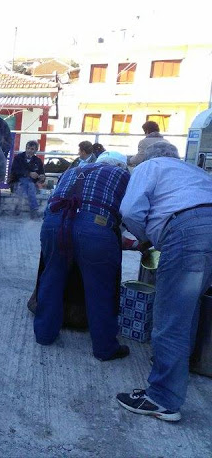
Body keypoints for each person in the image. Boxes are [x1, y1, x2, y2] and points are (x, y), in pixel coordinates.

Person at [116, 141, 212, 423]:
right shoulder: (193, 171)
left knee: (170, 317)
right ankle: (181, 368)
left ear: (145, 157)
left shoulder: (150, 166)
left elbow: (131, 211)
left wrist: (147, 241)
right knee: (189, 306)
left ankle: (162, 398)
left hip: (187, 230)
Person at [34, 151, 131, 361]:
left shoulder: (74, 170)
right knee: (100, 288)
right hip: (94, 229)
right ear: (120, 165)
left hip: (53, 223)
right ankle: (105, 348)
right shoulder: (122, 175)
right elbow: (129, 211)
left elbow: (52, 201)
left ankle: (44, 334)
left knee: (51, 279)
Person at [11, 140, 45, 218]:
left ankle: (18, 207)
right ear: (26, 148)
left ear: (36, 150)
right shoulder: (18, 158)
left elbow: (41, 175)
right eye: (28, 148)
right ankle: (34, 210)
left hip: (31, 185)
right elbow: (15, 171)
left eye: (32, 149)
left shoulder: (38, 161)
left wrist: (42, 177)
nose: (29, 150)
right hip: (17, 182)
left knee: (29, 185)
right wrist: (28, 173)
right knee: (27, 184)